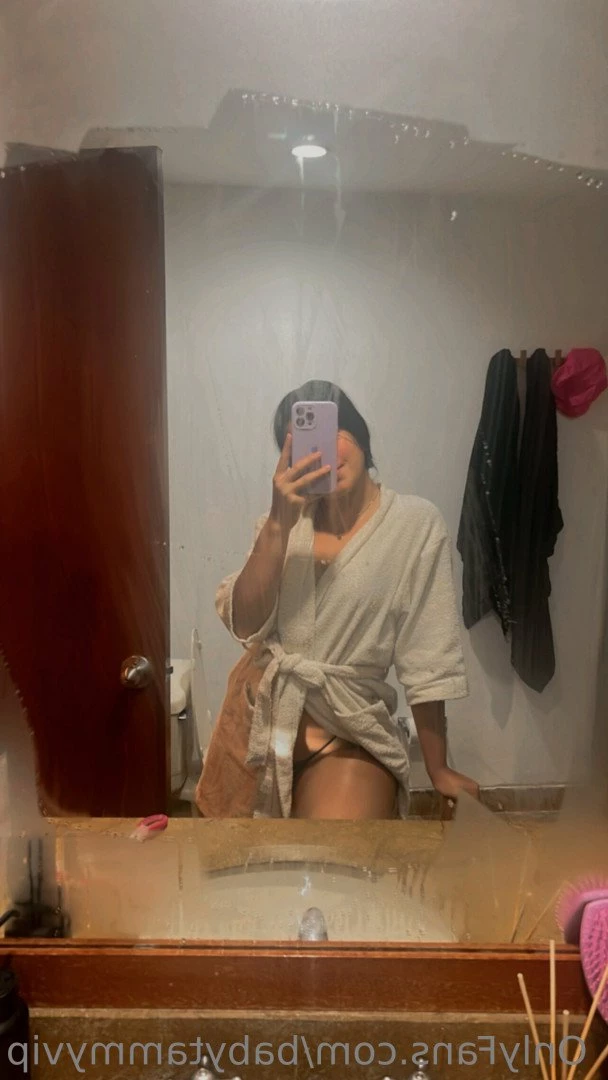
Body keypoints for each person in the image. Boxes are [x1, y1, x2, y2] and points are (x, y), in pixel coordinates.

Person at [202, 380, 479, 820]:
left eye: (336, 431)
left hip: (348, 735)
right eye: (307, 443)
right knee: (242, 862)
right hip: (258, 732)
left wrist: (438, 767)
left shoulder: (414, 524)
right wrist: (278, 524)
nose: (325, 451)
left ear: (361, 435)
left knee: (329, 856)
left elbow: (428, 655)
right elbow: (245, 623)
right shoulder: (282, 524)